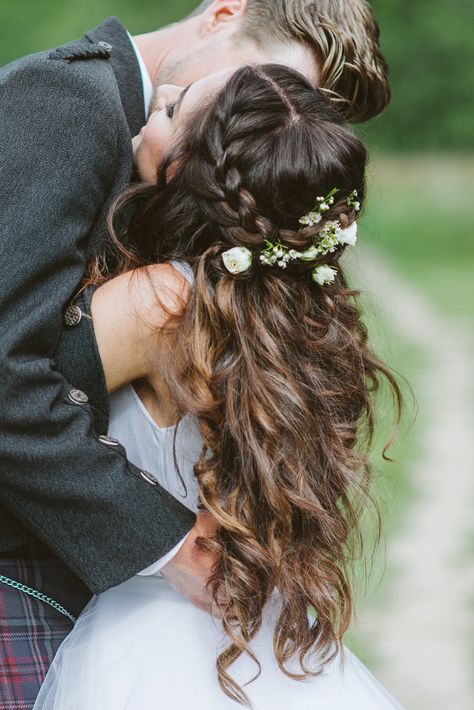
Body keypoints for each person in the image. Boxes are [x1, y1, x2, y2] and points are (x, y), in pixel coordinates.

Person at [0, 1, 390, 706]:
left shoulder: (170, 300)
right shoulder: (67, 100)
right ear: (224, 14)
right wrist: (169, 541)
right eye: (254, 82)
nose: (257, 117)